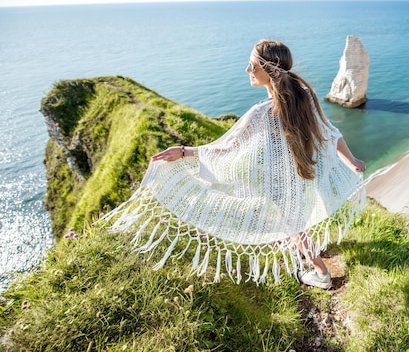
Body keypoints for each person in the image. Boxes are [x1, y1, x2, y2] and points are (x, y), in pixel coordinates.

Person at [104, 39, 365, 289]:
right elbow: (329, 133)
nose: (247, 70)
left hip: (279, 183)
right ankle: (311, 259)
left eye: (252, 65)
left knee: (293, 230)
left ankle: (321, 273)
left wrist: (184, 152)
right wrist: (351, 160)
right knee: (296, 224)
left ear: (268, 70)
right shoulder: (304, 95)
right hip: (303, 174)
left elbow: (226, 149)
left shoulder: (261, 114)